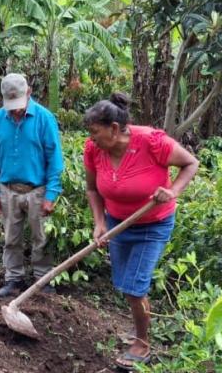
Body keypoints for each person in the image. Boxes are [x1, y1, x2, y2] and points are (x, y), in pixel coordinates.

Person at [83, 92, 198, 370]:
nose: (92, 138)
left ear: (113, 128)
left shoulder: (151, 141)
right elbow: (92, 189)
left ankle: (143, 343)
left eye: (95, 132)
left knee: (135, 286)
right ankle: (139, 327)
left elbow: (190, 163)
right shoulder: (94, 149)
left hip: (152, 224)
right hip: (117, 223)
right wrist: (99, 223)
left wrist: (172, 192)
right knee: (125, 283)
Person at [0, 73, 64, 298]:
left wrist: (51, 194)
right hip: (8, 188)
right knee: (11, 238)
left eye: (18, 104)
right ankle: (14, 279)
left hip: (37, 190)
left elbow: (55, 159)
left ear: (29, 92)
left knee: (42, 238)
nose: (15, 110)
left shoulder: (44, 118)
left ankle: (43, 280)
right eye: (10, 105)